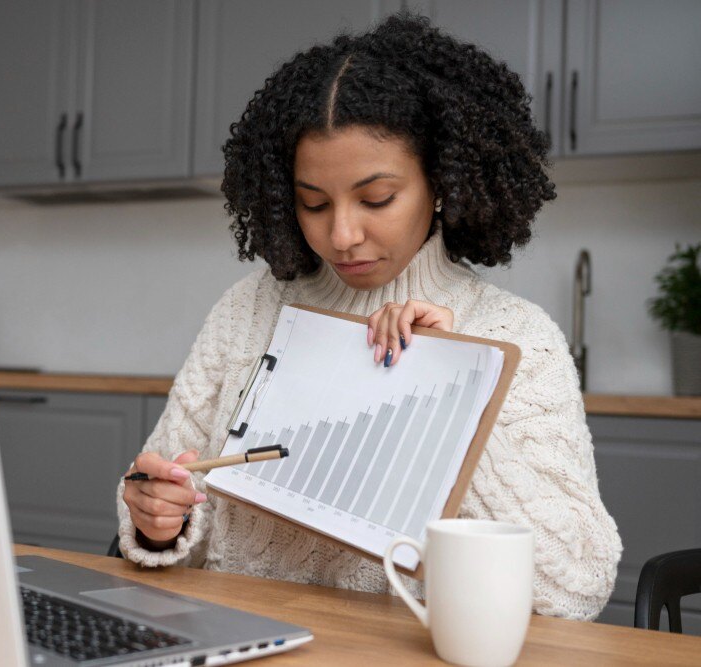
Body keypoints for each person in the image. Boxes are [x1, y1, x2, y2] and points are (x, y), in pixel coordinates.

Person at [116, 13, 621, 621]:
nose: (342, 234)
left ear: (441, 183)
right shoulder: (247, 311)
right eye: (313, 203)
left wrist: (456, 388)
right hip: (244, 641)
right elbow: (165, 497)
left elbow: (574, 589)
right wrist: (158, 520)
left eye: (377, 199)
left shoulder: (520, 337)